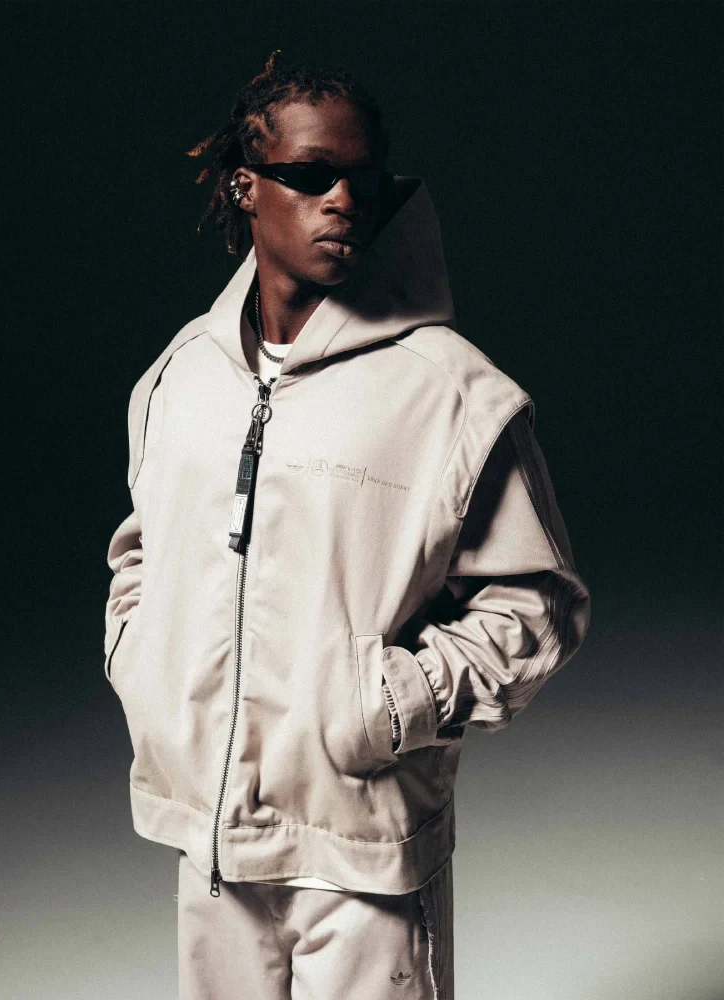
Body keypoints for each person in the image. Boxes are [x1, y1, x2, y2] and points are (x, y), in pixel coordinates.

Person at [103, 50, 591, 1000]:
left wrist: (393, 703)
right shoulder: (179, 376)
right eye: (311, 175)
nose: (344, 201)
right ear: (245, 186)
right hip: (212, 840)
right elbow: (142, 551)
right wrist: (142, 662)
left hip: (365, 849)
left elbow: (538, 607)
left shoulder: (450, 392)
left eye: (363, 179)